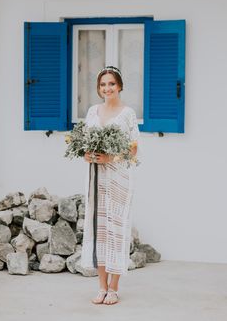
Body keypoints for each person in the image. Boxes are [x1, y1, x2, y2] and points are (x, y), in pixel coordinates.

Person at [80, 66, 140, 305]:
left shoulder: (127, 114)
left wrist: (110, 158)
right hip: (96, 177)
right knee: (99, 229)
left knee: (116, 228)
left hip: (118, 177)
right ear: (99, 88)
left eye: (111, 84)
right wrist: (87, 155)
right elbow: (84, 143)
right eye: (103, 84)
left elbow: (133, 148)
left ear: (120, 86)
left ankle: (114, 287)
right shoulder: (92, 112)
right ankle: (101, 286)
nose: (107, 88)